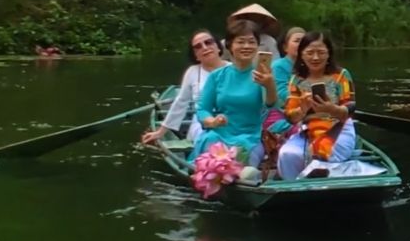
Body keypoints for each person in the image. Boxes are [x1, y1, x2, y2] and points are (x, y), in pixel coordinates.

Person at [191, 18, 279, 168]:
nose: (246, 46)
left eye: (251, 42)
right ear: (229, 45)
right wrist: (212, 121)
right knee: (209, 145)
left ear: (258, 46)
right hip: (219, 133)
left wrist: (269, 85)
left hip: (250, 137)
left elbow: (271, 104)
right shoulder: (216, 76)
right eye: (241, 42)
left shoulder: (263, 75)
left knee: (242, 157)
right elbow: (203, 109)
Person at [278, 32, 356, 180]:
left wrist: (331, 109)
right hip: (308, 130)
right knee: (286, 154)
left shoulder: (341, 75)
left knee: (319, 151)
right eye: (310, 52)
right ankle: (293, 189)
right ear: (301, 54)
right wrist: (302, 109)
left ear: (329, 54)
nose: (315, 57)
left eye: (321, 52)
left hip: (339, 127)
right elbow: (290, 117)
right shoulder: (296, 79)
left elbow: (350, 108)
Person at [141, 29, 228, 145]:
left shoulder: (233, 69)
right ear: (196, 56)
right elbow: (180, 103)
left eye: (208, 42)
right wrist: (160, 132)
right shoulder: (192, 72)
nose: (205, 48)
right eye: (198, 46)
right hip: (202, 123)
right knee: (211, 140)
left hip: (229, 119)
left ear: (218, 47)